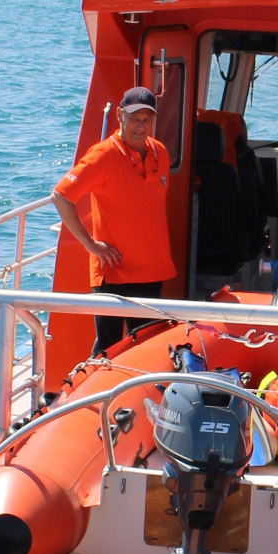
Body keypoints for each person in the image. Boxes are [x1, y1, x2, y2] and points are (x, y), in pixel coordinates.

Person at [52, 87, 175, 354]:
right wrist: (90, 245)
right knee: (108, 347)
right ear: (119, 116)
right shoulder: (103, 155)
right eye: (134, 119)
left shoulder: (160, 153)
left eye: (146, 119)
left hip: (152, 271)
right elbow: (61, 196)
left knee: (146, 348)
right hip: (113, 269)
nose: (141, 127)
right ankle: (91, 395)